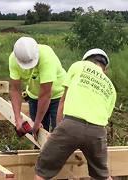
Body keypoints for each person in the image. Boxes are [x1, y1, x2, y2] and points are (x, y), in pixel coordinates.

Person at [34, 48, 116, 180]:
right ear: (104, 69)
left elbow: (63, 100)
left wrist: (57, 132)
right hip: (98, 132)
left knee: (42, 170)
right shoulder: (111, 87)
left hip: (71, 125)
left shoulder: (78, 66)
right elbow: (105, 117)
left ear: (86, 60)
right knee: (102, 176)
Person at [9, 37, 66, 135]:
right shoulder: (13, 59)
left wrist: (36, 123)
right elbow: (15, 90)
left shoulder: (46, 56)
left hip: (58, 95)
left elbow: (46, 94)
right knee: (38, 134)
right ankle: (39, 149)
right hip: (34, 95)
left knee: (59, 132)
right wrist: (17, 118)